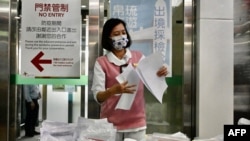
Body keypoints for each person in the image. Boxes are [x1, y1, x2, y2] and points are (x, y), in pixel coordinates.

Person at [91, 18, 168, 141]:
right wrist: (112, 90)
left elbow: (151, 81)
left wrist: (159, 74)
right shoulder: (102, 63)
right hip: (110, 125)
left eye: (123, 32)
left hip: (136, 124)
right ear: (108, 38)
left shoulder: (139, 57)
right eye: (116, 34)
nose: (121, 36)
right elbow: (98, 96)